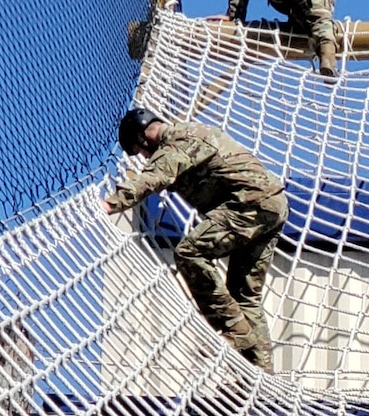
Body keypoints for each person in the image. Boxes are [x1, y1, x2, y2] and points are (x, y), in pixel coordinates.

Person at [104, 108, 286, 372]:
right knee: (244, 294)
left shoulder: (176, 143)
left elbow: (152, 178)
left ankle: (234, 331)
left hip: (249, 203)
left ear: (143, 137)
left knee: (189, 253)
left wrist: (110, 204)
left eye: (139, 151)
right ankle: (260, 375)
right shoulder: (193, 132)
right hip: (273, 205)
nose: (143, 157)